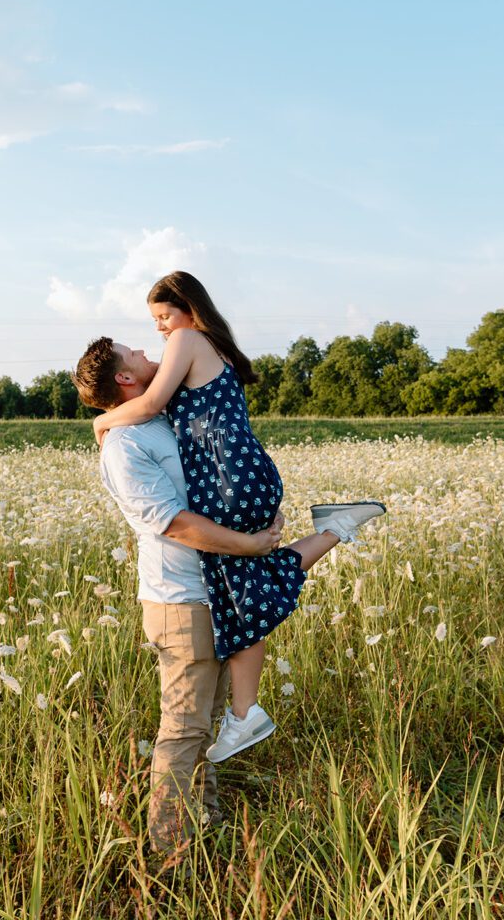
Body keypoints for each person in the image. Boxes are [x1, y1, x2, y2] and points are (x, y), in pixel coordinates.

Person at [88, 272, 386, 764]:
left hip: (232, 478)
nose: (158, 333)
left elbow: (150, 401)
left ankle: (245, 713)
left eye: (163, 316)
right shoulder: (200, 346)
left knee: (249, 585)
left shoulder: (187, 341)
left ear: (188, 308)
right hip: (242, 474)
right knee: (257, 579)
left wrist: (100, 421)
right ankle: (338, 527)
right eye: (154, 324)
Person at [73, 336, 284, 852]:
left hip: (212, 592)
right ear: (125, 379)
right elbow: (173, 523)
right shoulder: (126, 446)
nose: (150, 354)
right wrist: (250, 545)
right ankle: (171, 850)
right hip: (179, 600)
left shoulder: (159, 418)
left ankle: (204, 818)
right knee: (184, 728)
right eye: (136, 354)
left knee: (206, 721)